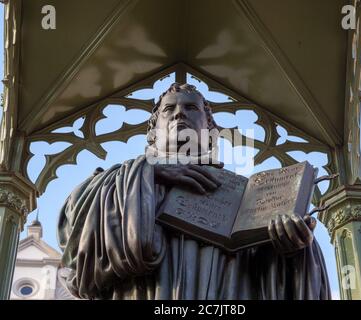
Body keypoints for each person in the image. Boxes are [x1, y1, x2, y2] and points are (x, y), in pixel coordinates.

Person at [57, 83, 330, 300]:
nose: (179, 114)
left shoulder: (249, 198)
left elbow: (281, 282)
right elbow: (76, 243)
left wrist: (293, 250)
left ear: (210, 130)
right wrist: (151, 173)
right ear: (153, 132)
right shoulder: (118, 183)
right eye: (169, 110)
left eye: (191, 108)